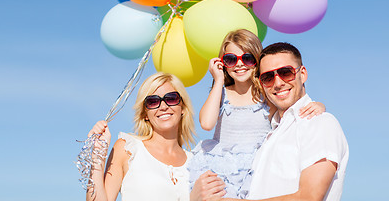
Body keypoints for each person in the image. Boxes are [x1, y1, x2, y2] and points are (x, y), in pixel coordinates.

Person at [192, 42, 349, 201]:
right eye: (267, 77)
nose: (278, 83)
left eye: (286, 72)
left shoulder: (318, 123)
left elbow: (309, 196)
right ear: (261, 83)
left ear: (303, 74)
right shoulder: (271, 135)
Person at [86, 72, 196, 201]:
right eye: (153, 101)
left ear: (182, 107)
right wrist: (97, 157)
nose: (163, 107)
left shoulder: (196, 162)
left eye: (171, 98)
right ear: (145, 114)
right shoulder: (127, 149)